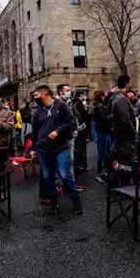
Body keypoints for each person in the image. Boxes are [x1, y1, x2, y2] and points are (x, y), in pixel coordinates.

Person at [32, 85, 82, 215]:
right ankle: (54, 204)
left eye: (36, 95)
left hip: (60, 148)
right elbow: (34, 131)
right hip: (43, 149)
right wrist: (33, 147)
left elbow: (72, 123)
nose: (34, 98)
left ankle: (77, 204)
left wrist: (58, 131)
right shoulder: (38, 112)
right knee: (48, 178)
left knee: (65, 176)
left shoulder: (60, 106)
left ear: (45, 94)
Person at [110, 75, 137, 162]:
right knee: (126, 165)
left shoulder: (117, 97)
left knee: (122, 166)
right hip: (125, 139)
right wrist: (133, 132)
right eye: (129, 83)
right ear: (126, 84)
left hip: (121, 137)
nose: (130, 85)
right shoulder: (121, 99)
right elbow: (125, 119)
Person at [92, 90, 112, 183]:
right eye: (104, 95)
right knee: (102, 153)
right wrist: (113, 115)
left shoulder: (98, 105)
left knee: (104, 152)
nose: (105, 97)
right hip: (103, 131)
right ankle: (99, 173)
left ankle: (103, 171)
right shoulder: (100, 106)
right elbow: (104, 118)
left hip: (102, 131)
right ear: (101, 96)